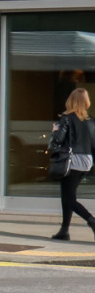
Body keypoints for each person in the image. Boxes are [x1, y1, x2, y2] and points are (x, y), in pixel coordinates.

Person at [50, 88, 95, 240]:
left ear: (71, 100)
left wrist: (55, 130)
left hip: (72, 161)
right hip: (86, 161)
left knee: (69, 199)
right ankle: (64, 230)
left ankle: (91, 221)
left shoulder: (67, 117)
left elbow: (58, 140)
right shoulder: (90, 121)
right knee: (68, 196)